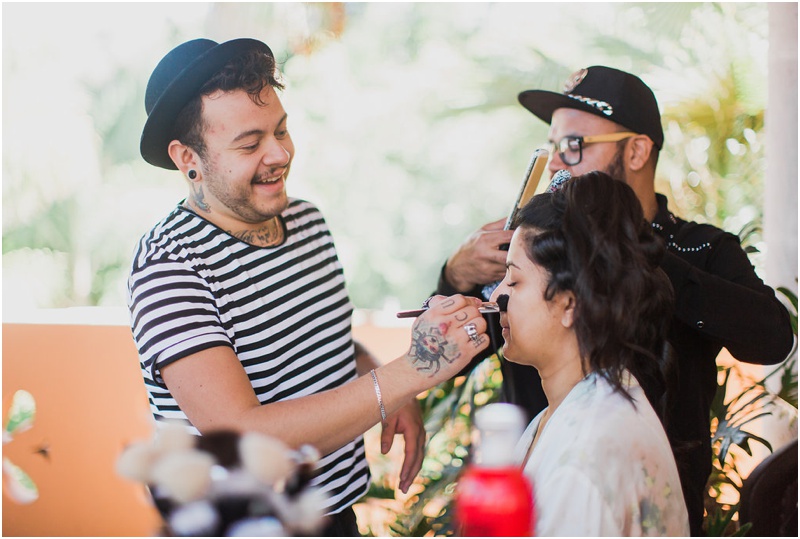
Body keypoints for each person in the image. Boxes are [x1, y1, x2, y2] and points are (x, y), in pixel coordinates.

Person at [127, 37, 490, 536]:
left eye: (281, 130)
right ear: (188, 156)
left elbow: (324, 340)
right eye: (250, 144)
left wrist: (384, 382)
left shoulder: (306, 221)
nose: (279, 154)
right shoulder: (168, 265)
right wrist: (410, 374)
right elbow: (244, 438)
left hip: (333, 512)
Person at [438, 65, 794, 535]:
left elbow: (772, 338)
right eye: (552, 147)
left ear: (637, 150)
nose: (557, 164)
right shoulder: (537, 247)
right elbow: (451, 355)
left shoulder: (700, 249)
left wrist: (629, 247)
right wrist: (454, 276)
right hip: (536, 485)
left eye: (574, 145)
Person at [492, 171, 689, 536]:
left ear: (570, 304)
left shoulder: (583, 460)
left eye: (514, 280)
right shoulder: (571, 411)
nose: (495, 296)